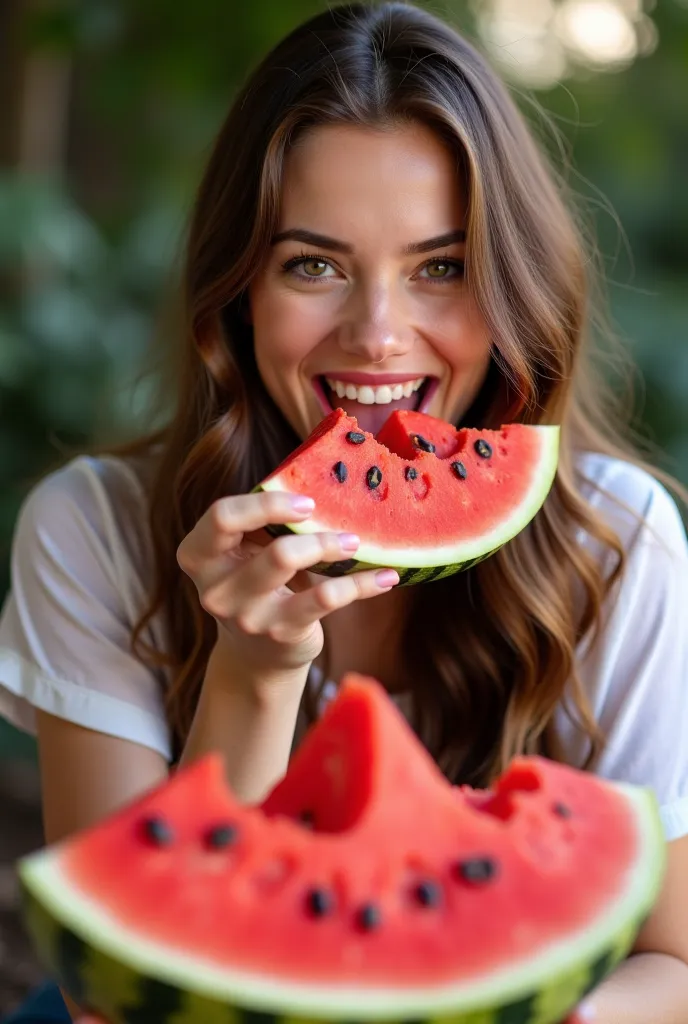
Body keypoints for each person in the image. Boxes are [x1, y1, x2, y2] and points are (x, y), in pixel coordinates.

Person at [1, 2, 687, 1022]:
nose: (377, 334)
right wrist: (256, 671)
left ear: (514, 285)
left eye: (440, 267)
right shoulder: (92, 527)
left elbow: (672, 964)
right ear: (238, 291)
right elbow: (122, 995)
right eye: (312, 264)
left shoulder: (616, 539)